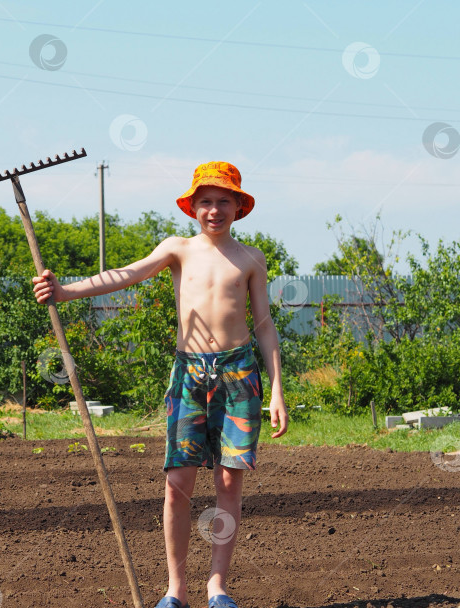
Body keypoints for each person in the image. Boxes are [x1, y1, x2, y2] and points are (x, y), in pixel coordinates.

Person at [32, 161, 288, 608]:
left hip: (239, 375)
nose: (214, 210)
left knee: (229, 482)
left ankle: (217, 587)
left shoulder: (251, 258)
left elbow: (264, 325)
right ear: (193, 207)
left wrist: (278, 389)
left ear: (239, 207)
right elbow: (126, 275)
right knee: (178, 484)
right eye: (206, 201)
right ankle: (175, 590)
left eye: (223, 201)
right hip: (189, 373)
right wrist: (66, 291)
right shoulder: (178, 249)